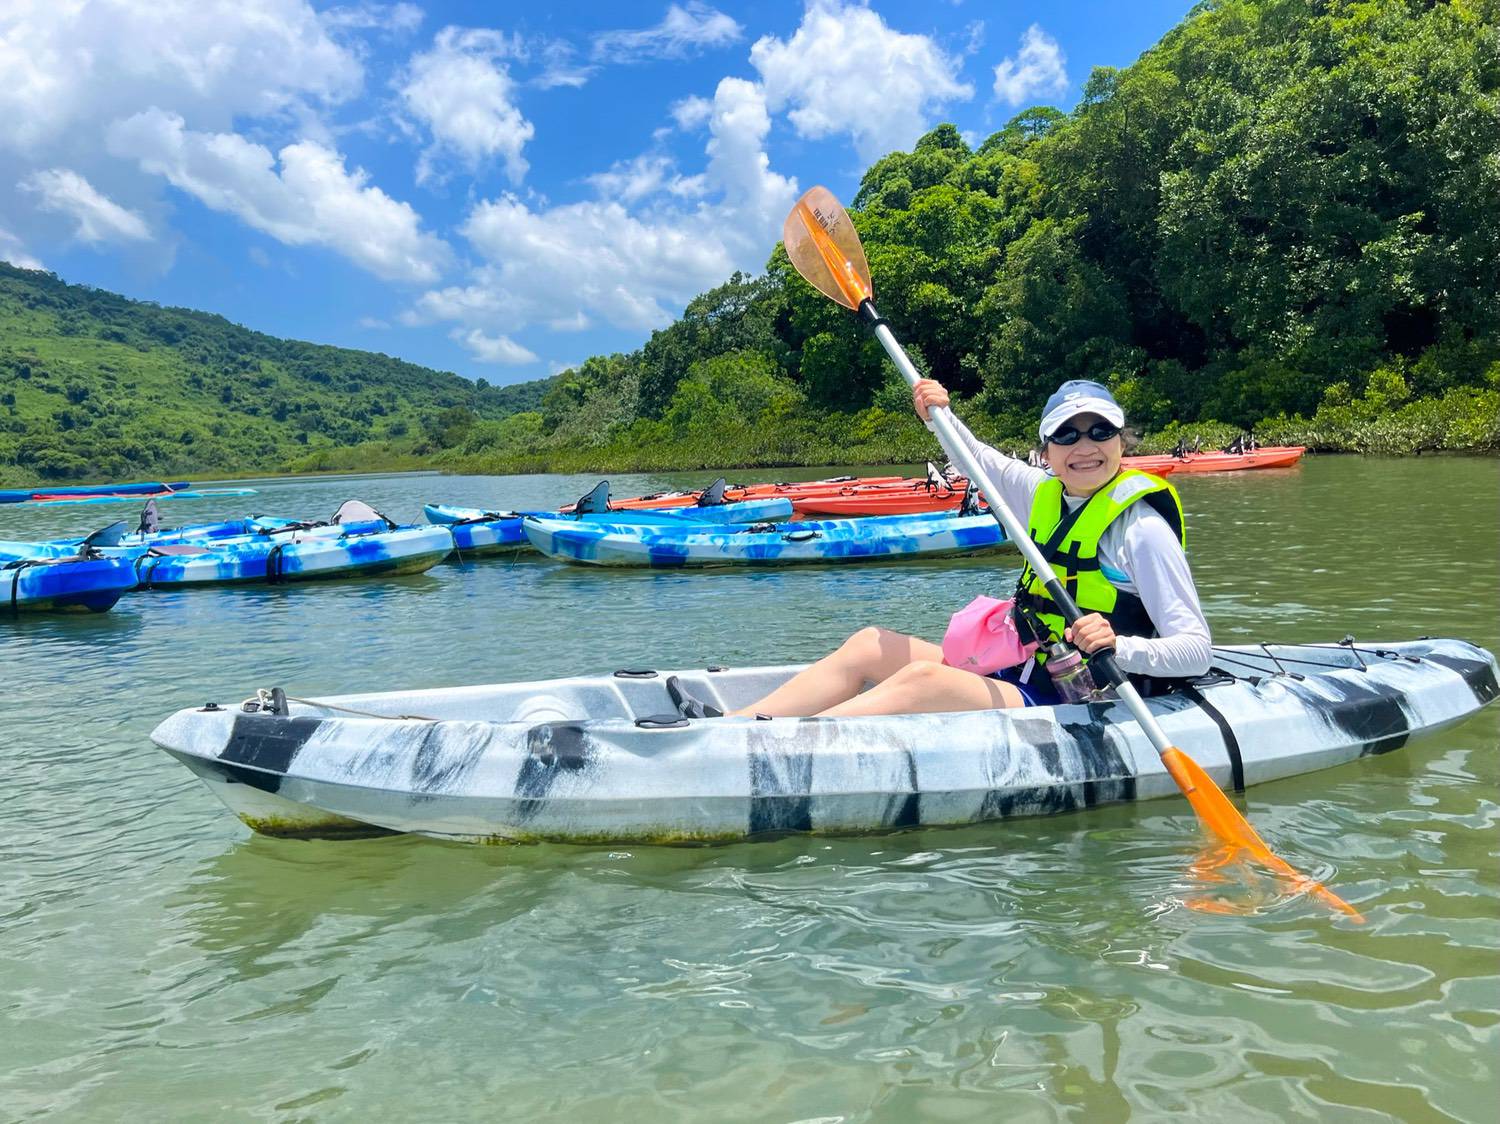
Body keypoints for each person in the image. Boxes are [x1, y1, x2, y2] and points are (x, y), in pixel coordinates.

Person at [685, 378, 1212, 719]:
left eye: (1100, 431)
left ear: (1121, 439)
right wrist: (937, 411)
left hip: (1085, 695)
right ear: (1048, 449)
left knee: (924, 680)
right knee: (869, 644)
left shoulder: (1141, 530)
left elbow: (1196, 649)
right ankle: (736, 725)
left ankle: (770, 743)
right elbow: (973, 457)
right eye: (1067, 436)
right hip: (1022, 665)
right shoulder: (1042, 492)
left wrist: (1120, 645)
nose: (1085, 447)